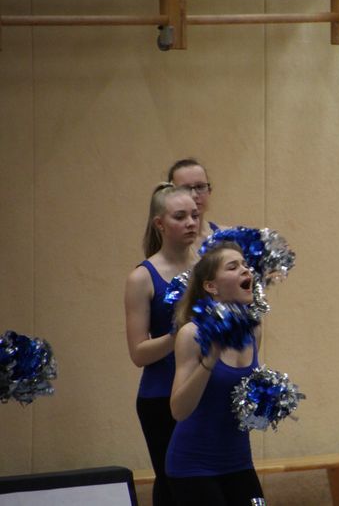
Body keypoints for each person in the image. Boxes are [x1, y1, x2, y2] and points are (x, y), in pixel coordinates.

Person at [166, 242, 265, 505]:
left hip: (239, 461)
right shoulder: (192, 334)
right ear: (211, 286)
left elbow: (238, 398)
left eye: (245, 265)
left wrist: (265, 399)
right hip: (194, 467)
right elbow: (178, 410)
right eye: (233, 267)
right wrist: (210, 359)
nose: (245, 270)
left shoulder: (254, 330)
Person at [125, 183, 199, 505]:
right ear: (160, 224)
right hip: (161, 396)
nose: (191, 223)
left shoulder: (208, 267)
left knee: (207, 482)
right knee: (174, 485)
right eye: (180, 217)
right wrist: (179, 334)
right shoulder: (142, 278)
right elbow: (138, 353)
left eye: (194, 215)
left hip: (204, 389)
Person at [167, 158, 222, 251]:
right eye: (185, 189)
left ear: (209, 191)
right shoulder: (168, 245)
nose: (194, 195)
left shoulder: (227, 237)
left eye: (200, 187)